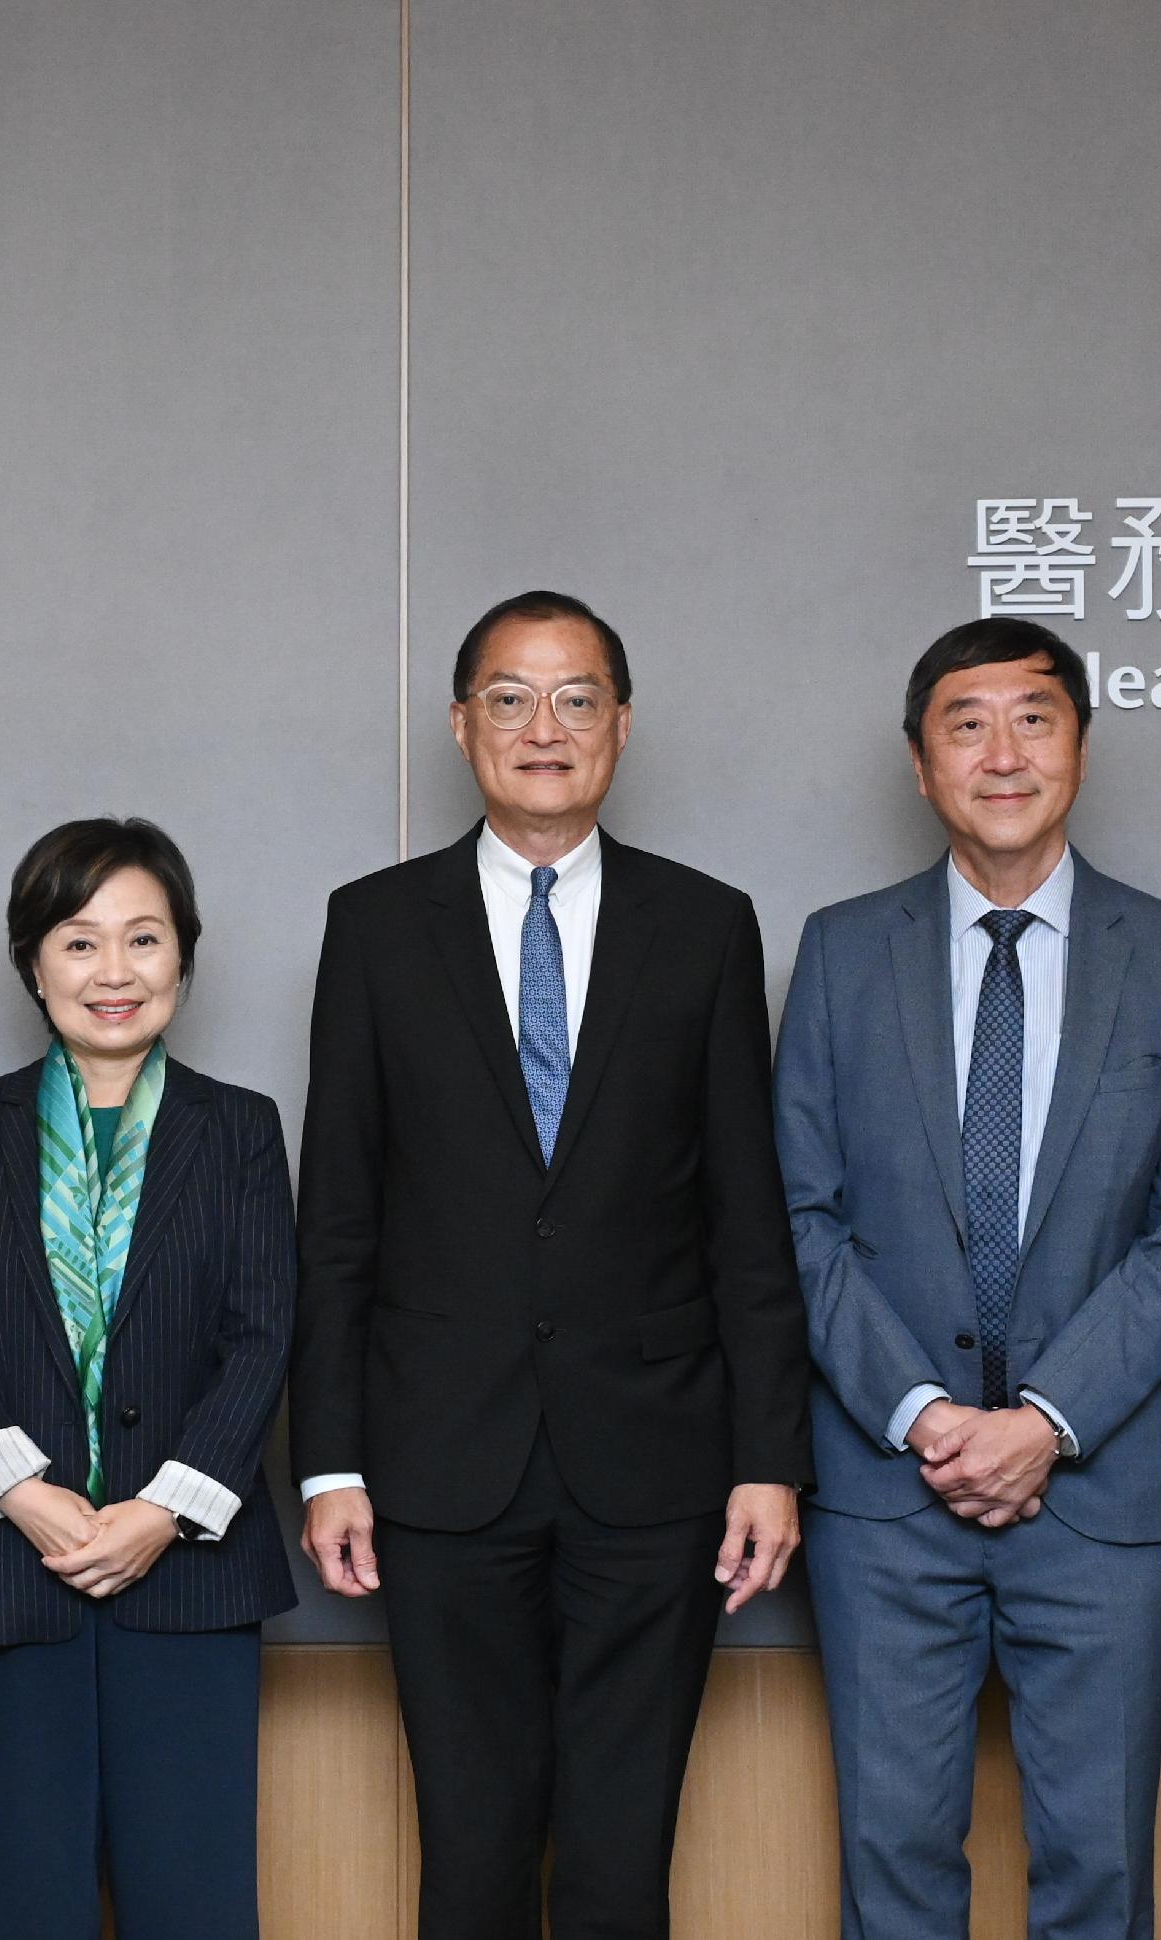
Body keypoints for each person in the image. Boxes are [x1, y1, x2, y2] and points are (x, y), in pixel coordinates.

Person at [292, 589, 813, 1940]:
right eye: (511, 699)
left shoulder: (703, 926)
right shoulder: (376, 925)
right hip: (436, 1457)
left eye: (577, 698)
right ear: (462, 725)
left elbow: (747, 1221)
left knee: (620, 1858)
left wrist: (768, 1457)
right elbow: (339, 1216)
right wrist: (332, 1459)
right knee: (469, 1851)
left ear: (623, 727)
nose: (545, 727)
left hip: (656, 1465)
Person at [773, 616, 1161, 1940]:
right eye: (966, 723)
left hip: (1104, 1488)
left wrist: (1044, 1422)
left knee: (1099, 1866)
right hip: (887, 1489)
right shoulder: (838, 951)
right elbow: (801, 1216)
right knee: (894, 1861)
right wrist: (925, 1414)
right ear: (920, 764)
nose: (1002, 752)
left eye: (1034, 719)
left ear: (1081, 748)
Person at [0, 817, 298, 1940]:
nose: (112, 972)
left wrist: (164, 1509)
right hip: (11, 1573)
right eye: (79, 942)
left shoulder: (239, 1130)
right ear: (32, 960)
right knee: (22, 1902)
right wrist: (26, 1497)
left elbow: (262, 1336)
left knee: (196, 1899)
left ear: (184, 956)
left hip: (190, 1579)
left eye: (143, 938)